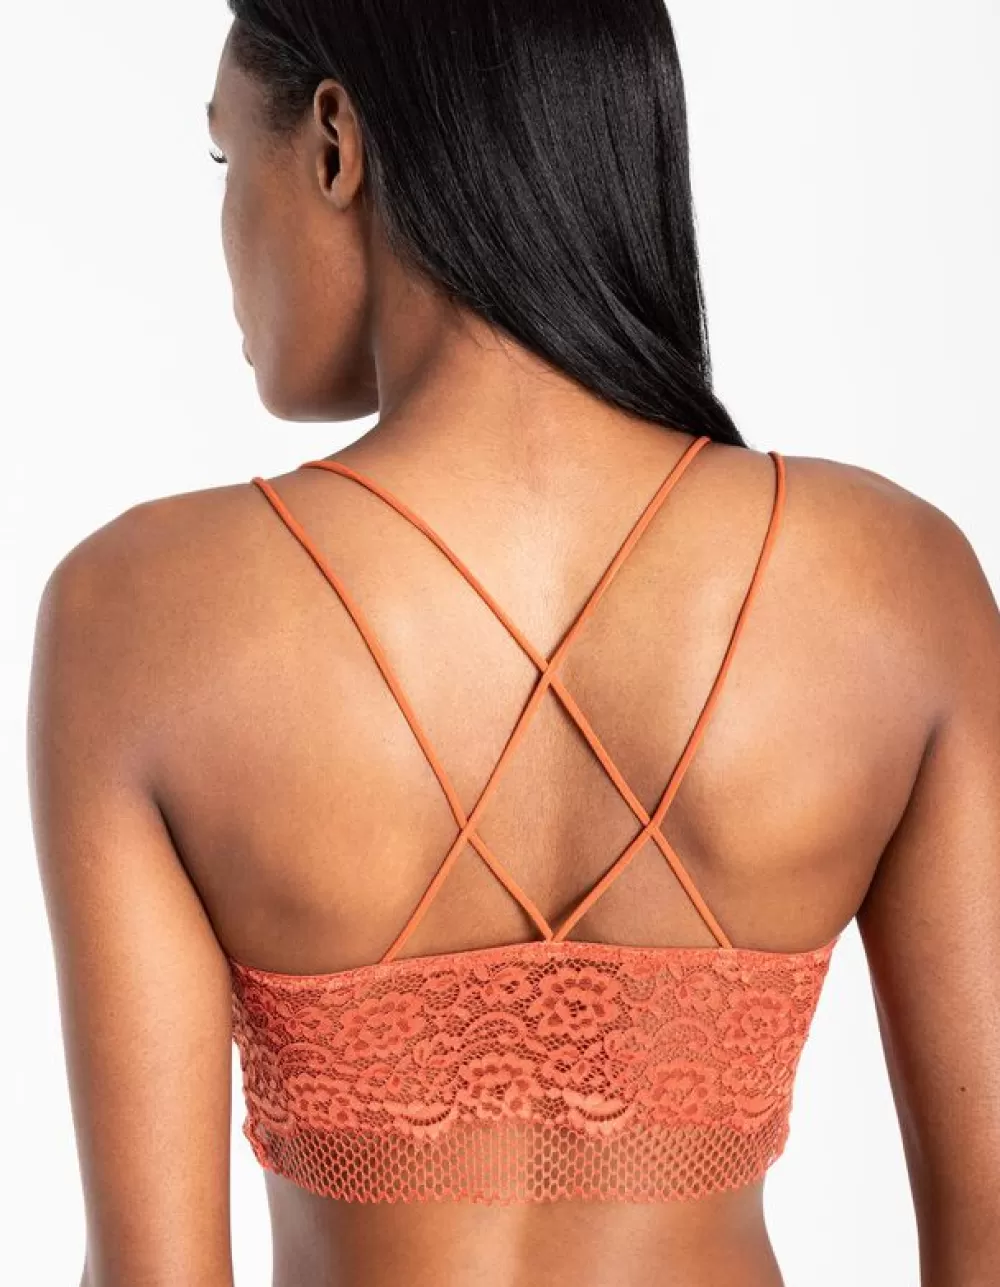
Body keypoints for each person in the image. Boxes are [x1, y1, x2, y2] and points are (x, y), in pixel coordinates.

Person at [27, 4, 1000, 1286]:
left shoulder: (136, 615)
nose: (222, 227)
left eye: (224, 156)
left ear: (334, 143)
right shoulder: (899, 583)